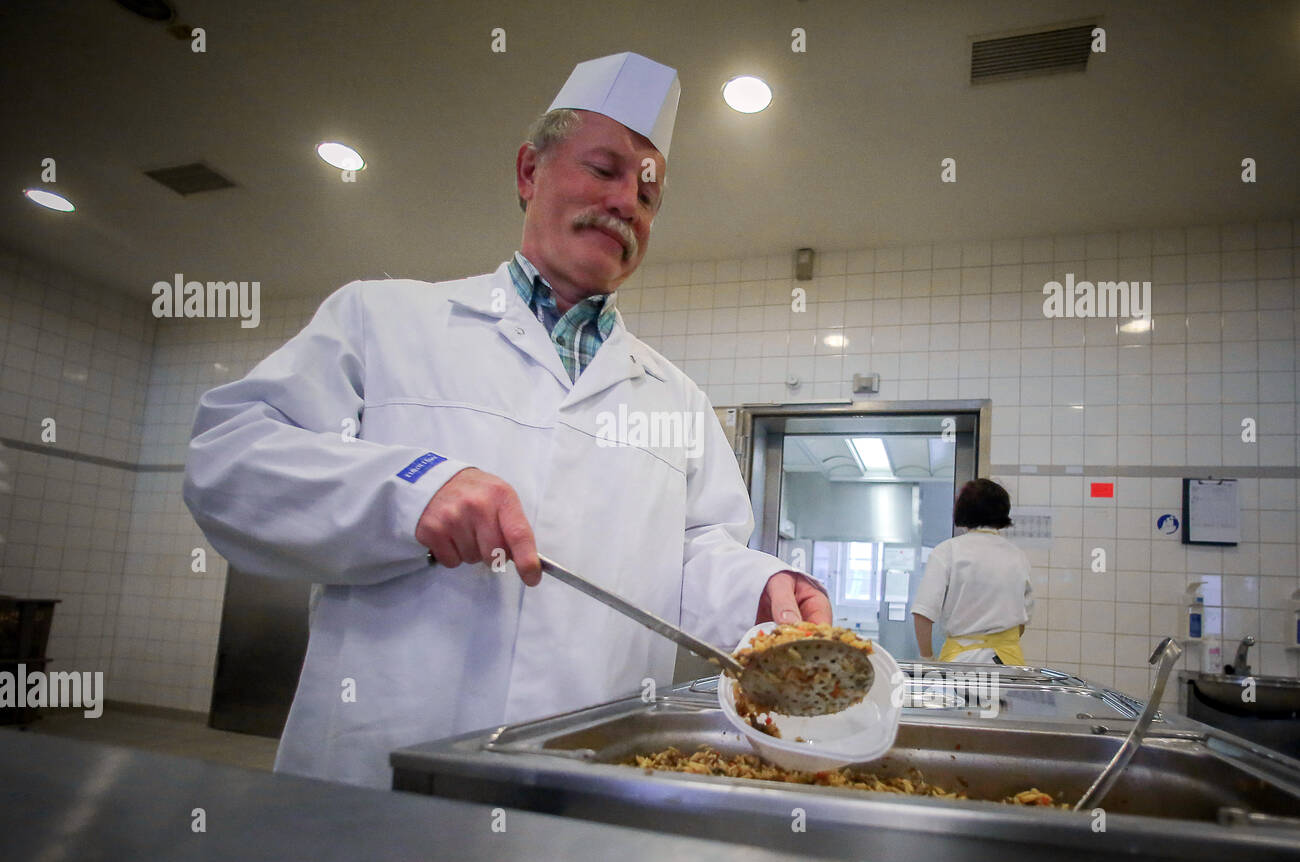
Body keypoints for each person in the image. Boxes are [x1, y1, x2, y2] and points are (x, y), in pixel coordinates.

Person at [183, 52, 830, 789]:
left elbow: (694, 552)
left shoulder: (674, 398)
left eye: (648, 195)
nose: (627, 203)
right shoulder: (383, 319)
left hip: (592, 774)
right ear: (529, 172)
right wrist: (412, 488)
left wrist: (762, 590)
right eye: (604, 169)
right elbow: (227, 461)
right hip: (381, 774)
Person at [910, 479, 1033, 665]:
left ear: (961, 510)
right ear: (1003, 511)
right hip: (1009, 665)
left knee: (956, 696)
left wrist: (927, 659)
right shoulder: (1018, 556)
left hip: (960, 664)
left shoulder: (947, 551)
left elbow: (922, 613)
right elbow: (1022, 621)